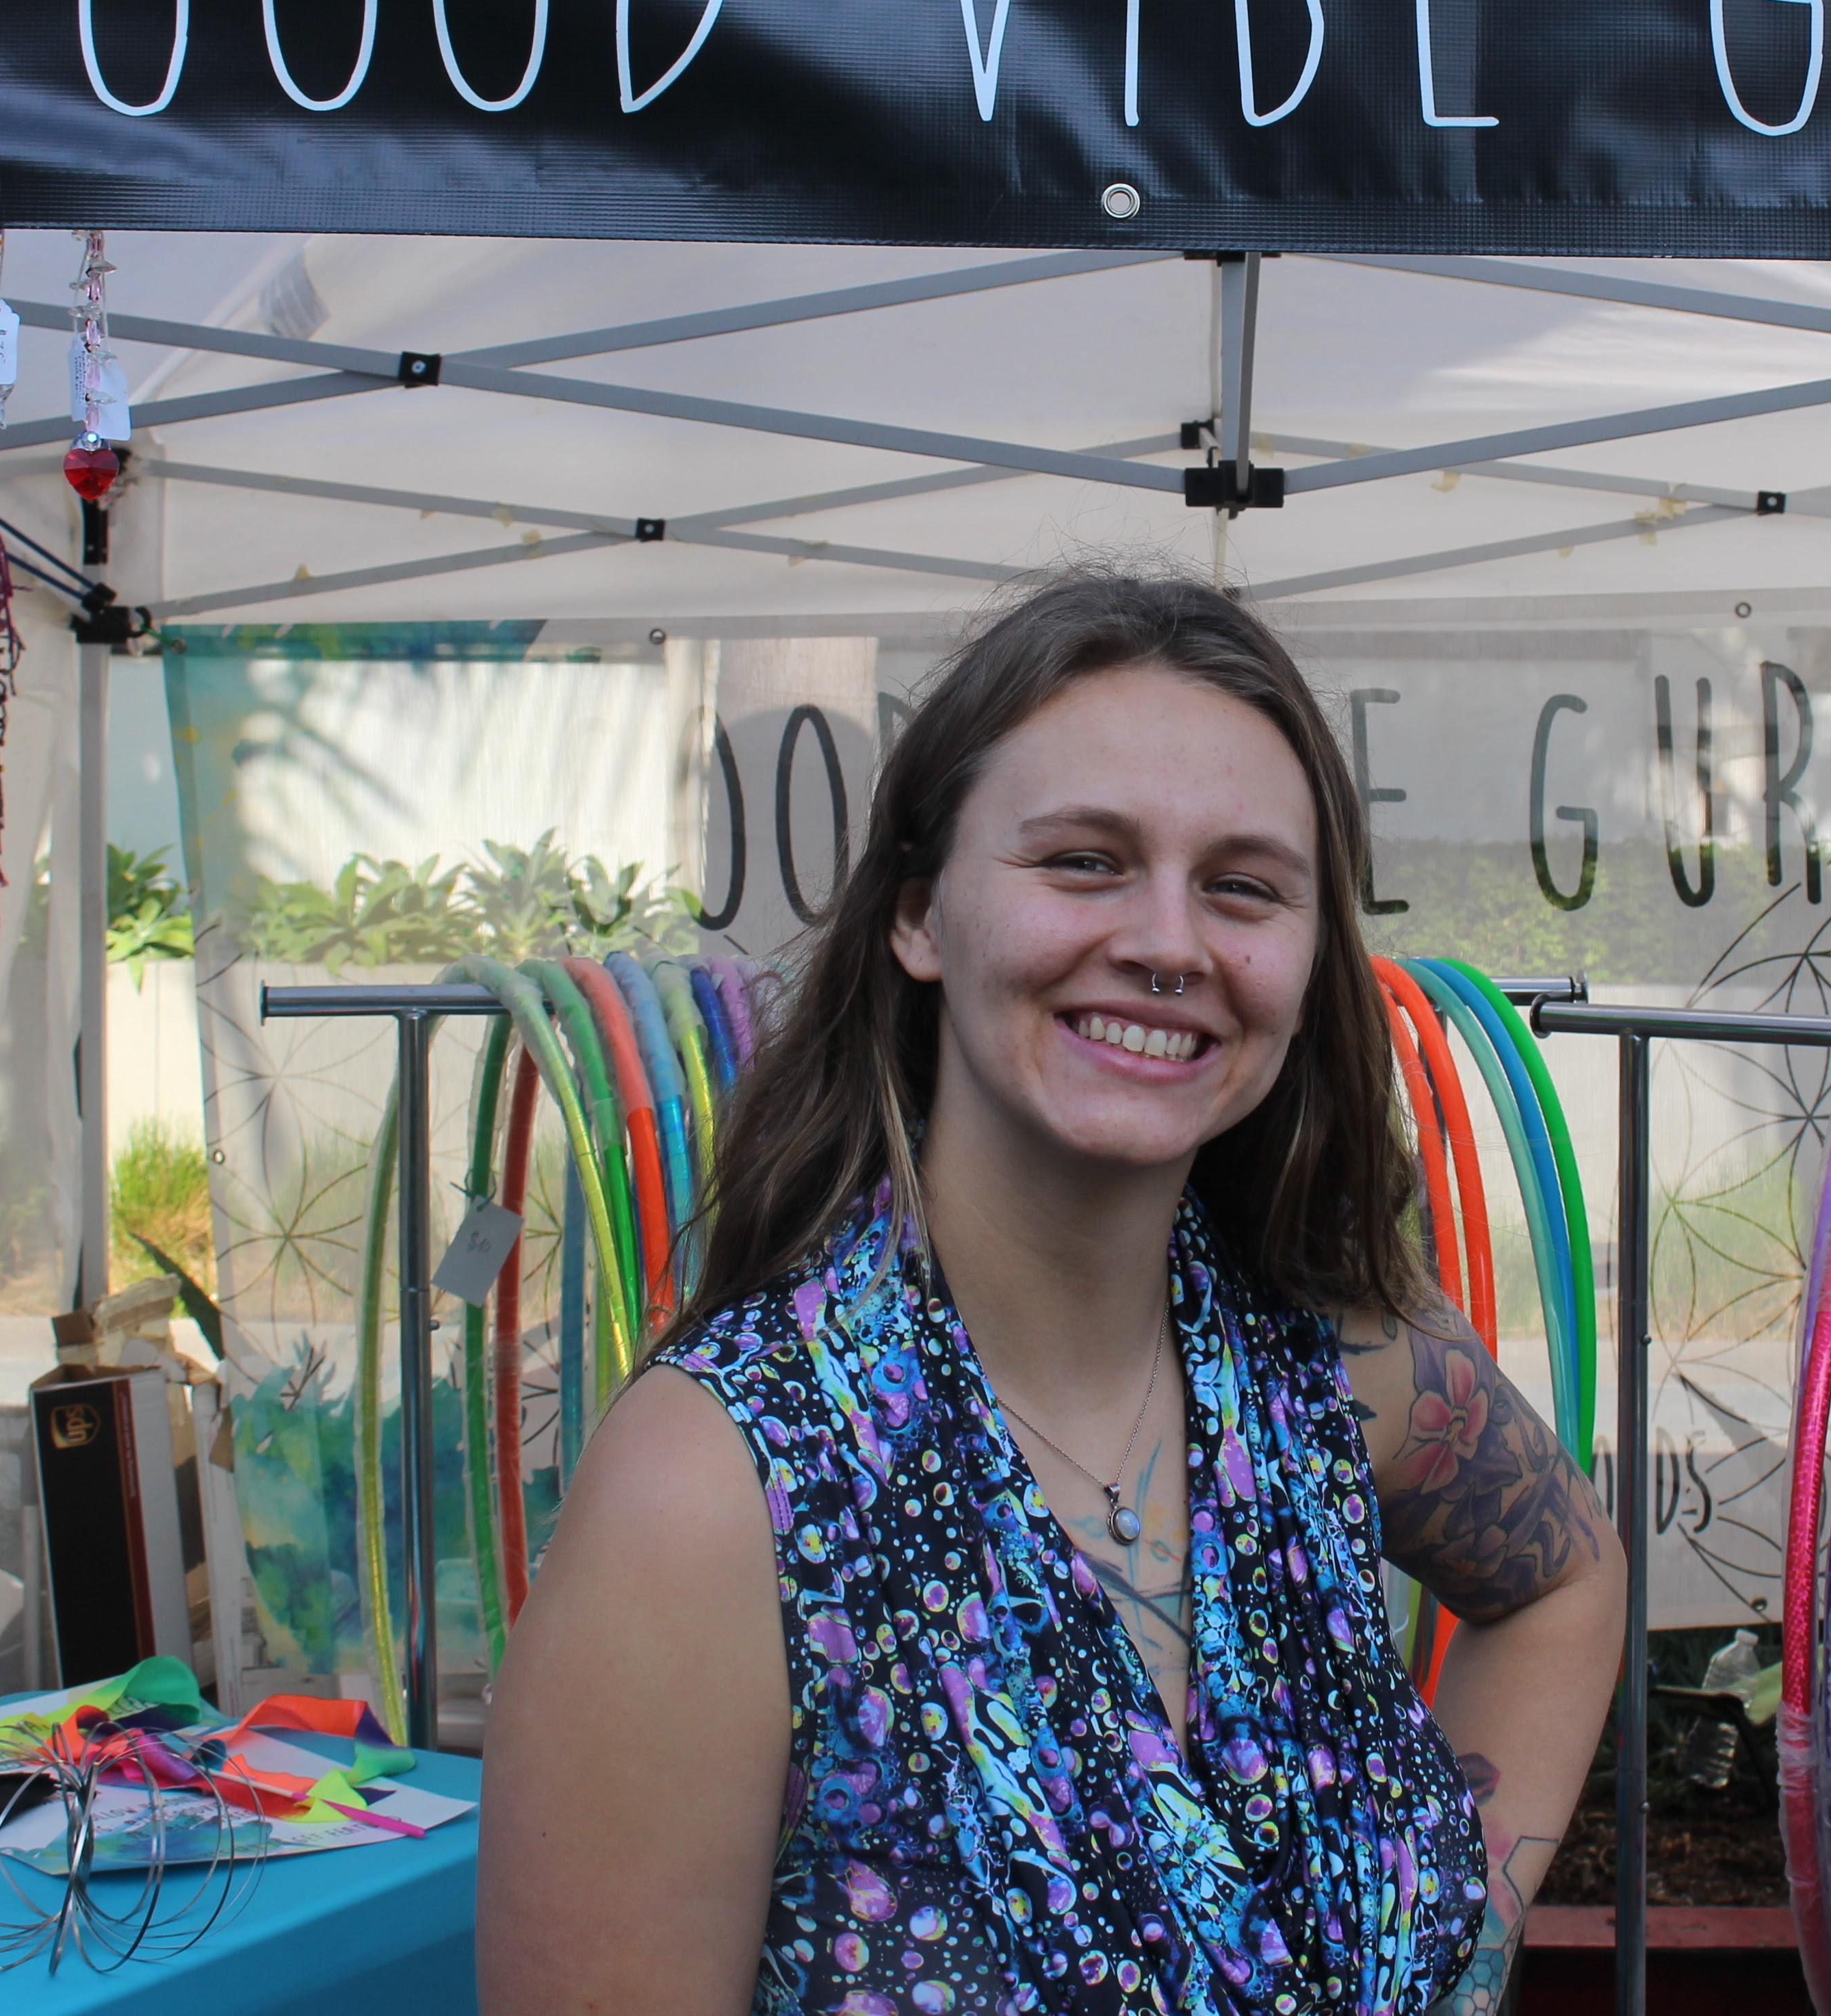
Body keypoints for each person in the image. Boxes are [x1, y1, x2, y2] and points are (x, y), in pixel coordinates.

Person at [482, 571, 1624, 2015]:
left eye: (1244, 886)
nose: (1168, 943)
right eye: (1085, 860)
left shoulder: (1335, 1359)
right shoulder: (718, 1493)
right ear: (918, 915)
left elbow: (1566, 1581)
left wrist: (1460, 1948)